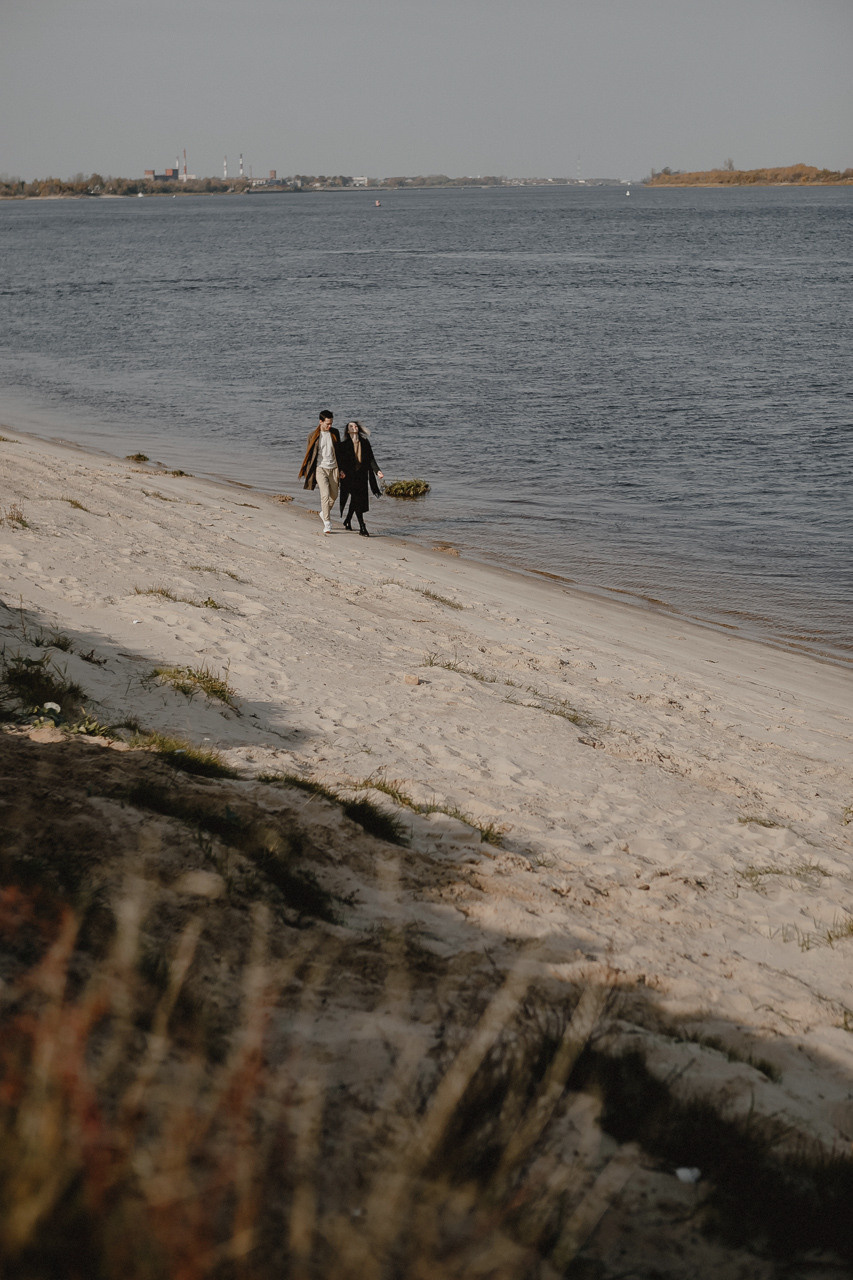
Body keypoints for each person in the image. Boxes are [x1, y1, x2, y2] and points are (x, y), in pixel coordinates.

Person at [298, 410, 343, 534]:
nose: (330, 426)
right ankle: (327, 523)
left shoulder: (335, 433)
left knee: (334, 496)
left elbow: (339, 453)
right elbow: (310, 455)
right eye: (327, 424)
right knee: (325, 494)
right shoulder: (312, 436)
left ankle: (324, 513)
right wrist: (308, 471)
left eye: (331, 423)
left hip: (334, 468)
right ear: (320, 422)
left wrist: (342, 469)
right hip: (320, 468)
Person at [338, 420, 383, 536]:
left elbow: (371, 458)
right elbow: (340, 461)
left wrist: (377, 471)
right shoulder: (344, 444)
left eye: (356, 426)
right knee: (357, 499)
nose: (354, 427)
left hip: (362, 476)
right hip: (349, 476)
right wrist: (341, 471)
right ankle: (362, 527)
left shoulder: (364, 442)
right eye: (351, 426)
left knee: (356, 500)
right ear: (348, 431)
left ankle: (348, 520)